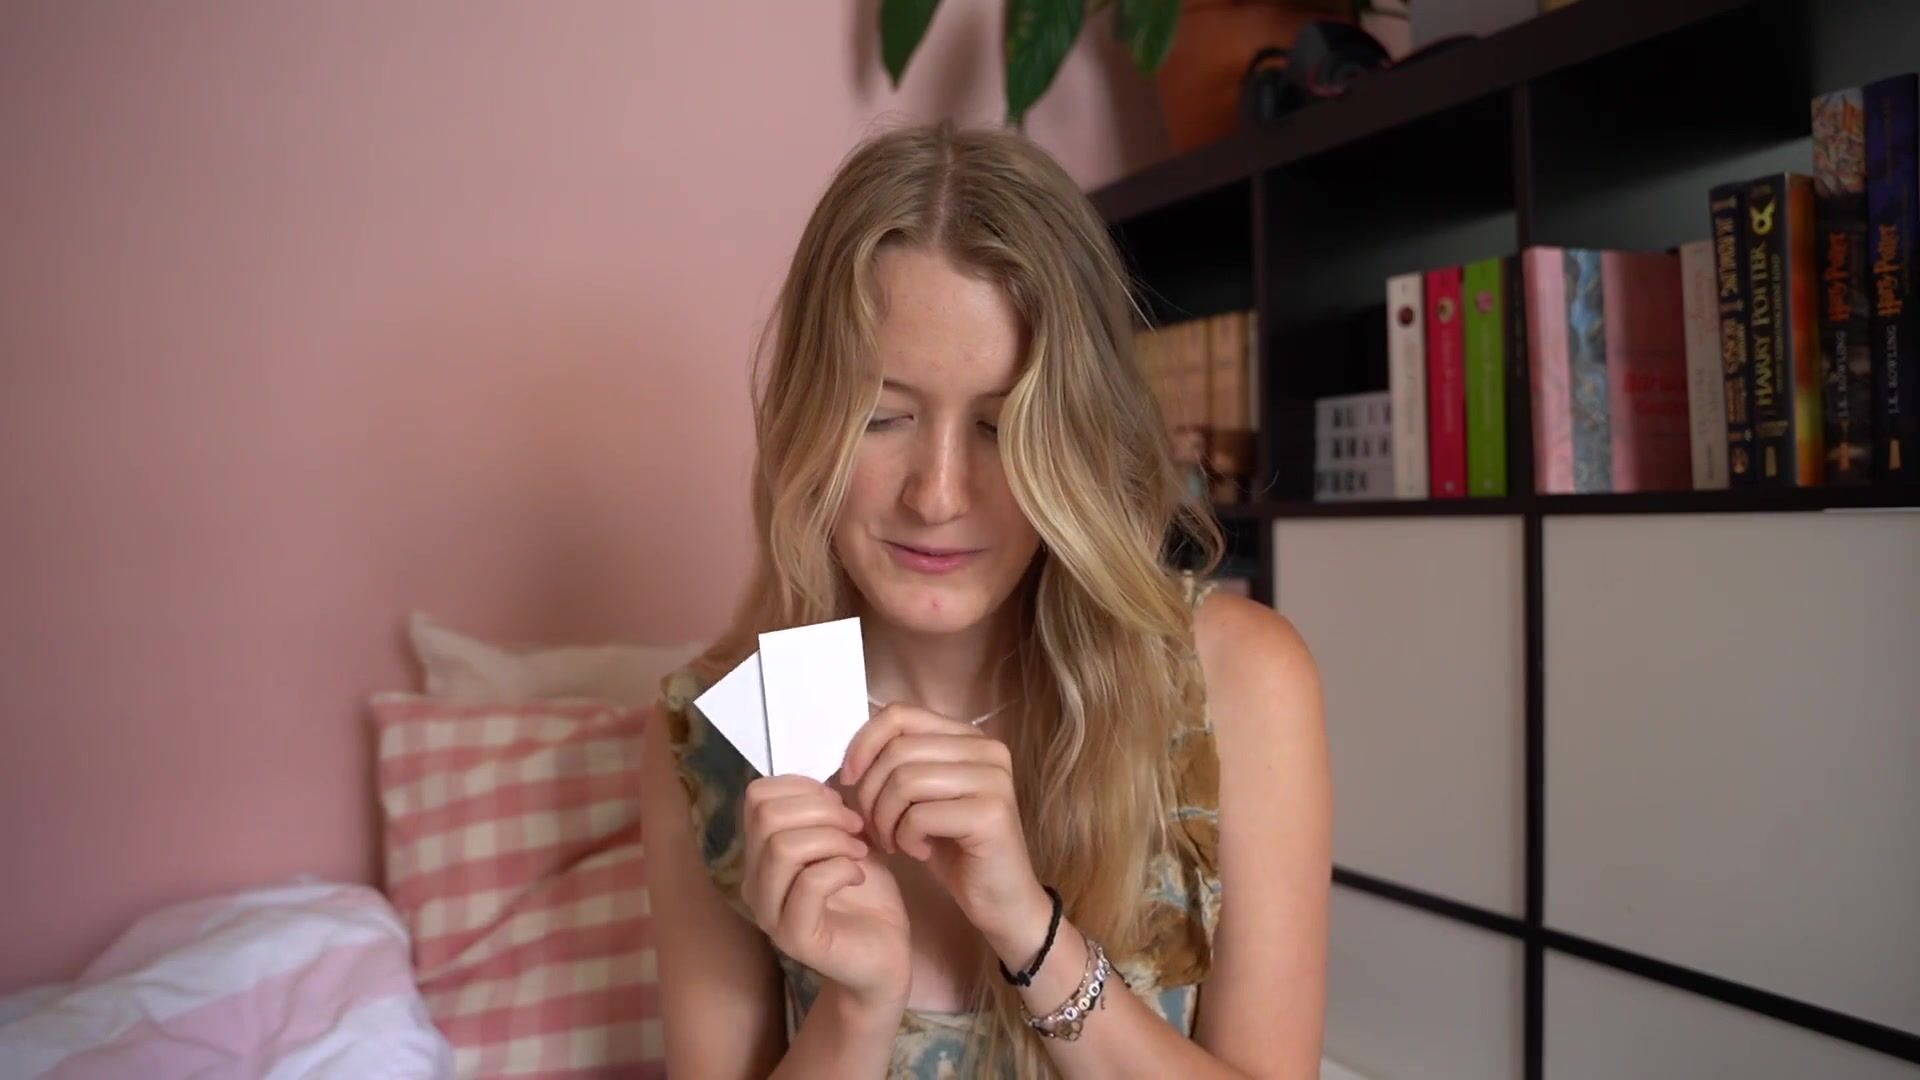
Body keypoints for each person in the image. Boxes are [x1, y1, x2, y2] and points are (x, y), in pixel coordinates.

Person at [637, 118, 1331, 1079]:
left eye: (1005, 429)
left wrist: (1032, 935)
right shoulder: (713, 738)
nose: (937, 495)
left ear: (1076, 444)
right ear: (809, 420)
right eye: (882, 417)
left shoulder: (1241, 682)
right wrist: (857, 1006)